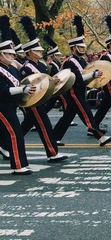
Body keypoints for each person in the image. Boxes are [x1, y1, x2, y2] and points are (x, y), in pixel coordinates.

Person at [52, 15, 111, 146]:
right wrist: (93, 74)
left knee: (68, 116)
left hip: (81, 91)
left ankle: (54, 138)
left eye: (84, 47)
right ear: (74, 48)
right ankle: (99, 136)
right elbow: (77, 78)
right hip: (74, 92)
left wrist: (94, 76)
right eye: (81, 47)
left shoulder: (81, 60)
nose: (84, 49)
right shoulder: (69, 62)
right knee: (86, 114)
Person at [17, 16, 68, 162]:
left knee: (26, 125)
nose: (40, 52)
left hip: (39, 99)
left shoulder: (41, 65)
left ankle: (6, 145)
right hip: (31, 100)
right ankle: (52, 153)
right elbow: (32, 84)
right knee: (44, 125)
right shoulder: (27, 67)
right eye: (37, 50)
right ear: (29, 52)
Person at [0, 16, 34, 174]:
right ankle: (18, 165)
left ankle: (21, 163)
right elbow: (3, 91)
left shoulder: (12, 68)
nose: (13, 56)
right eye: (10, 54)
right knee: (14, 132)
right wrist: (22, 90)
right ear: (1, 54)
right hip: (1, 107)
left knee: (15, 133)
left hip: (10, 106)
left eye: (13, 54)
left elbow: (21, 80)